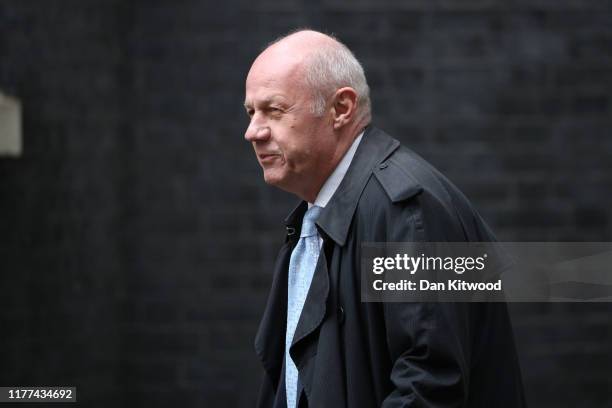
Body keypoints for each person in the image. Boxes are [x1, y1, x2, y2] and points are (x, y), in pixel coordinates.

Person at [244, 29, 526, 408]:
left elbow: (429, 385)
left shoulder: (408, 209)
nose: (253, 132)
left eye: (274, 110)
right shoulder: (316, 218)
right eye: (251, 112)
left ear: (341, 109)